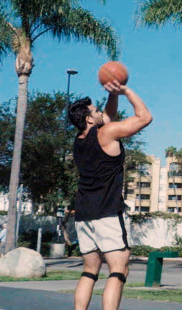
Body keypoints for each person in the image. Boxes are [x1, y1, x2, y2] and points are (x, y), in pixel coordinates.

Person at [68, 80, 152, 310]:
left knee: (90, 271)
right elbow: (145, 118)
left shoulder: (79, 141)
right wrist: (125, 91)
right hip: (107, 212)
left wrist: (112, 96)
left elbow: (107, 115)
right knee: (118, 269)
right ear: (88, 119)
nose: (100, 113)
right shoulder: (108, 133)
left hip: (83, 214)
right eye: (95, 111)